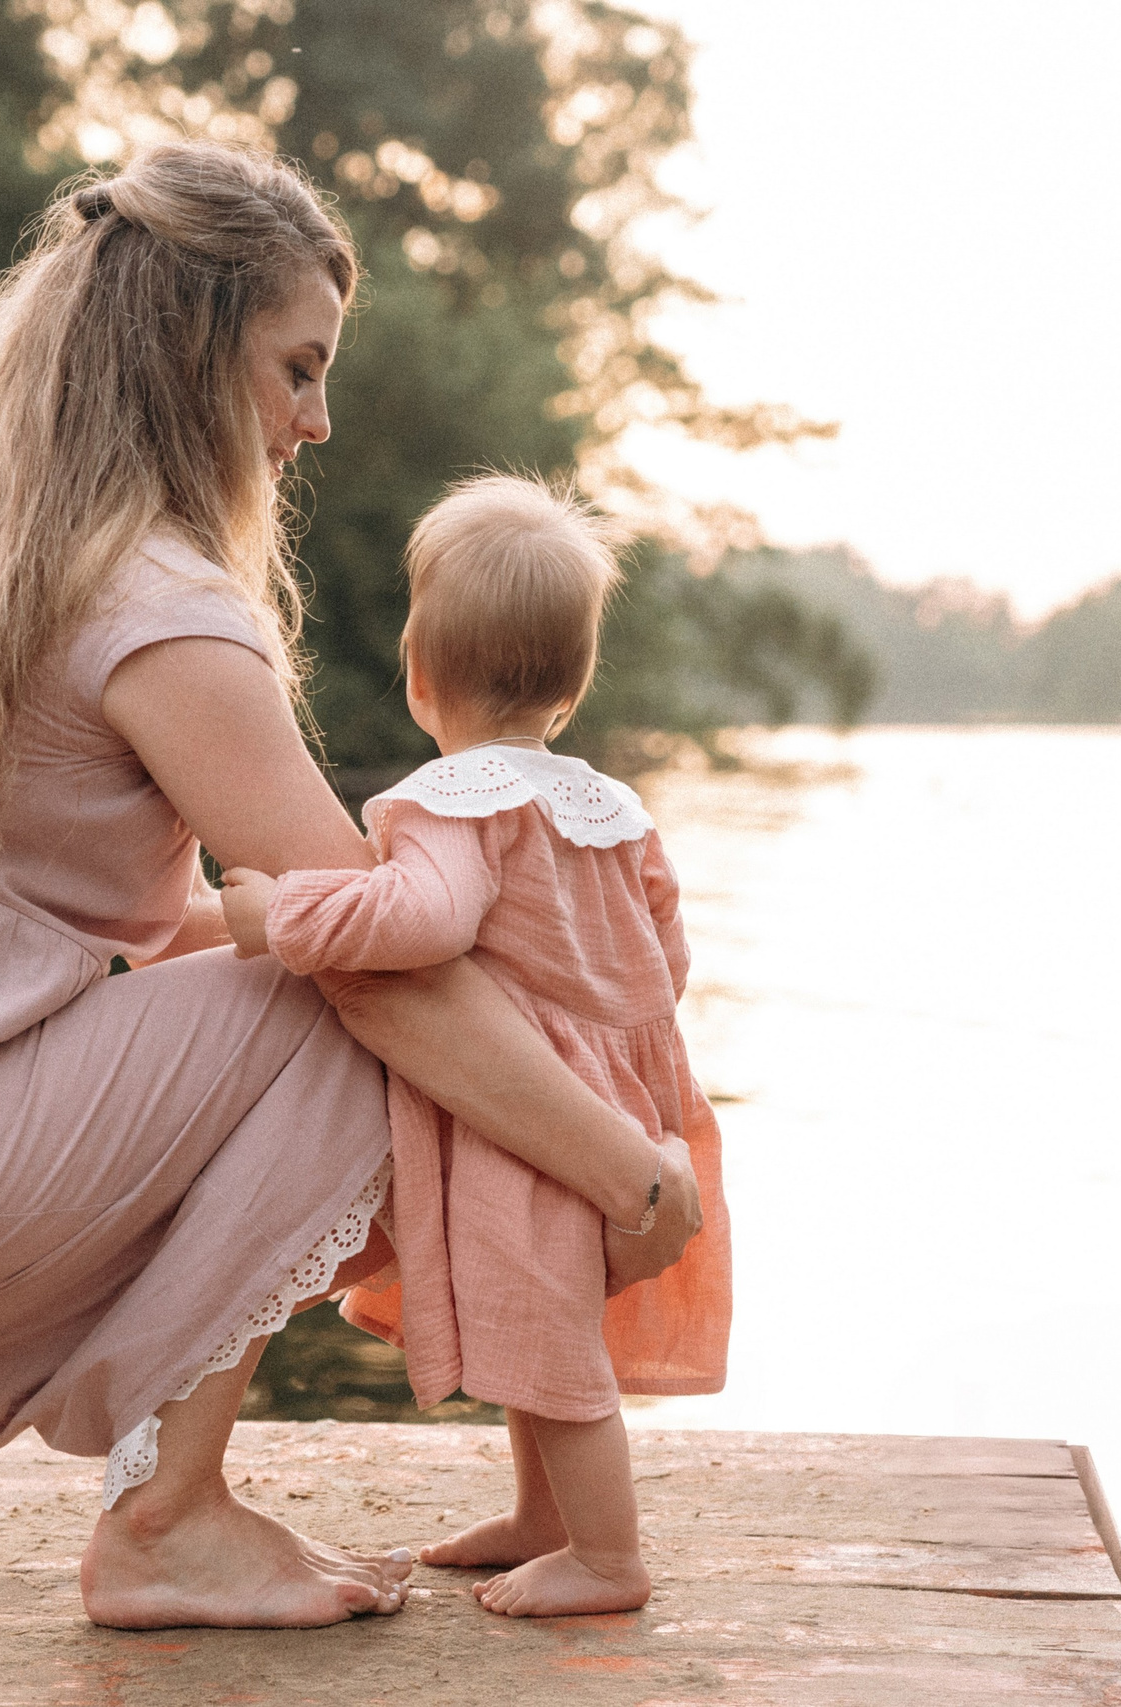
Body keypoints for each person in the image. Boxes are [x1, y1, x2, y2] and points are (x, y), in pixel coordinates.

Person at [0, 141, 701, 1633]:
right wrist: (626, 1165)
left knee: (309, 969)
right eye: (297, 369)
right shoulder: (158, 607)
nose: (316, 420)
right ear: (193, 356)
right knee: (356, 1009)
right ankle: (165, 1518)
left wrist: (281, 923)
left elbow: (167, 932)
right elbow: (371, 955)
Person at [219, 475, 732, 1617]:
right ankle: (542, 1520)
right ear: (572, 678)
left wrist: (279, 914)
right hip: (632, 1105)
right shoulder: (610, 804)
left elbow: (424, 923)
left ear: (418, 673)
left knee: (553, 1347)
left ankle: (607, 1557)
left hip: (531, 1112)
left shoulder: (451, 800)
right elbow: (669, 955)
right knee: (543, 1314)